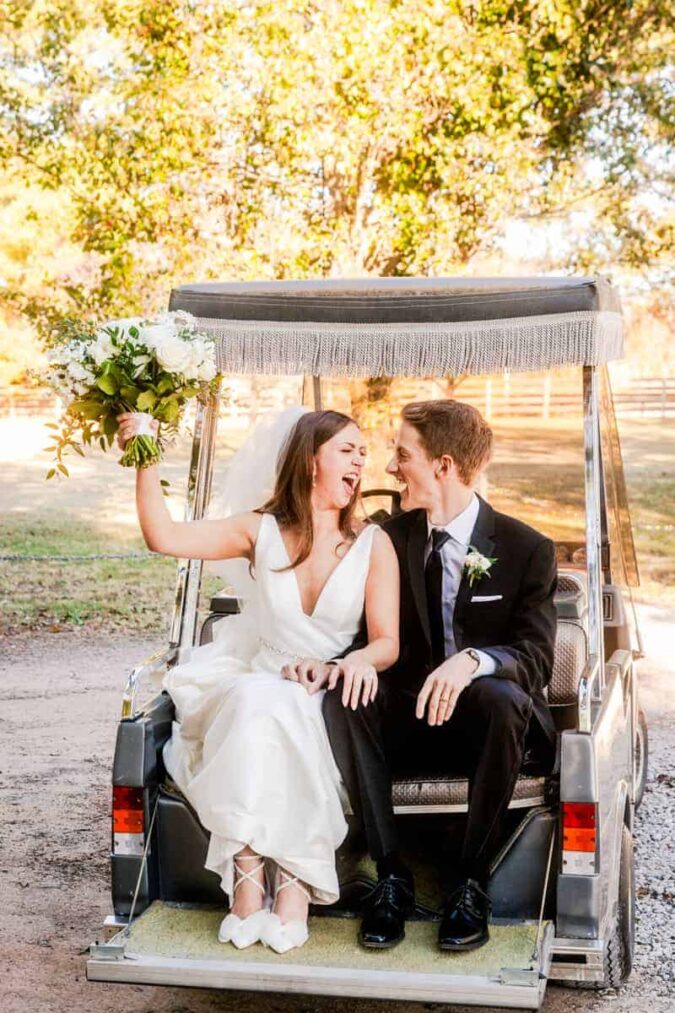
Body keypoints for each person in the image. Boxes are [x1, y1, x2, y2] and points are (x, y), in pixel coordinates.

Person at [116, 408, 399, 954]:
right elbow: (163, 536)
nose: (361, 459)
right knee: (256, 700)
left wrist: (349, 663)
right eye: (348, 449)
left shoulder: (372, 543)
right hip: (259, 674)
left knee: (283, 707)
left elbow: (387, 641)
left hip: (328, 690)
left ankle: (286, 887)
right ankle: (252, 885)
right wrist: (144, 455)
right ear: (310, 459)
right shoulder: (258, 529)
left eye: (363, 452)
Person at [322, 399, 558, 953]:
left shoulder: (527, 549)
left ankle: (469, 882)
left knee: (503, 698)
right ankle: (392, 876)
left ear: (444, 465)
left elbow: (537, 657)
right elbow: (365, 628)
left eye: (402, 456)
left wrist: (472, 661)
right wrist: (348, 661)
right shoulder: (389, 538)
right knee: (344, 696)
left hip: (486, 730)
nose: (389, 468)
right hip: (406, 718)